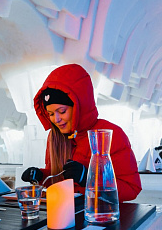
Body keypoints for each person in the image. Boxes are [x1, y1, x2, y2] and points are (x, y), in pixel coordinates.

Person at [22, 63, 142, 202]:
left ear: (79, 105)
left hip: (100, 212)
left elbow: (131, 189)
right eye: (51, 114)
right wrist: (40, 176)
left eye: (62, 111)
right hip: (65, 211)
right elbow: (59, 182)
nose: (56, 119)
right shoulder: (55, 137)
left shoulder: (110, 134)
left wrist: (88, 178)